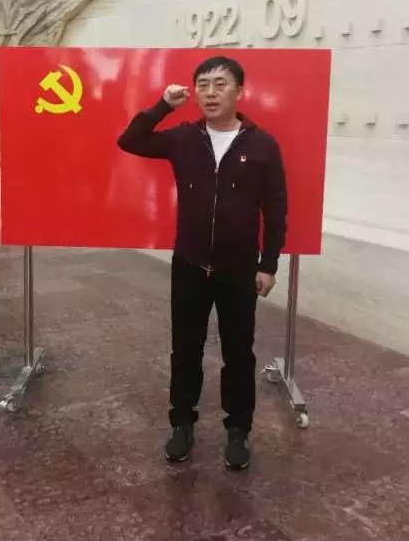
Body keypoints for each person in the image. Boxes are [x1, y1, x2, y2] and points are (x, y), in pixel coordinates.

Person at [117, 55, 287, 471]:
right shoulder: (183, 139)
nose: (211, 93)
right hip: (190, 265)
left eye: (220, 84)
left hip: (239, 269)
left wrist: (268, 264)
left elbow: (276, 210)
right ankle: (181, 424)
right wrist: (163, 105)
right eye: (203, 85)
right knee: (185, 350)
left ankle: (238, 430)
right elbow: (129, 140)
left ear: (239, 91)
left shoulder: (262, 145)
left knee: (239, 354)